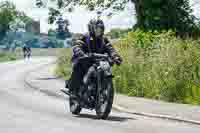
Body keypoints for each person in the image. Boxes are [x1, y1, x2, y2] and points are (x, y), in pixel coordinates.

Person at [69, 18, 123, 98]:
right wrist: (81, 53)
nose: (99, 31)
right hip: (85, 60)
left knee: (106, 68)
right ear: (91, 28)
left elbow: (110, 49)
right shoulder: (85, 37)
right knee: (78, 67)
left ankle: (99, 88)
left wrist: (115, 57)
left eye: (101, 29)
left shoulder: (104, 39)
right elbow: (77, 45)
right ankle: (74, 90)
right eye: (97, 29)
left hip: (98, 62)